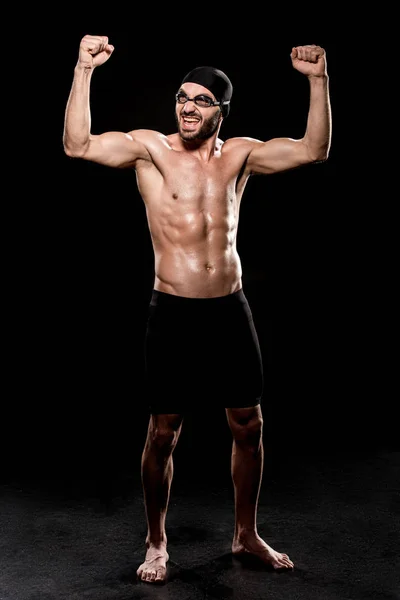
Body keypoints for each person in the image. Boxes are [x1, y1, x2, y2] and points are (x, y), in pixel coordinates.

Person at [63, 34, 332, 584]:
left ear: (222, 111)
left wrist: (318, 80)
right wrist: (83, 70)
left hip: (229, 310)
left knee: (248, 424)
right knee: (163, 431)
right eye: (183, 97)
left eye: (201, 100)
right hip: (173, 313)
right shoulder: (150, 150)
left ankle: (245, 533)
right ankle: (157, 541)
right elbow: (78, 145)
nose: (187, 106)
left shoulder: (241, 155)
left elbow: (313, 149)